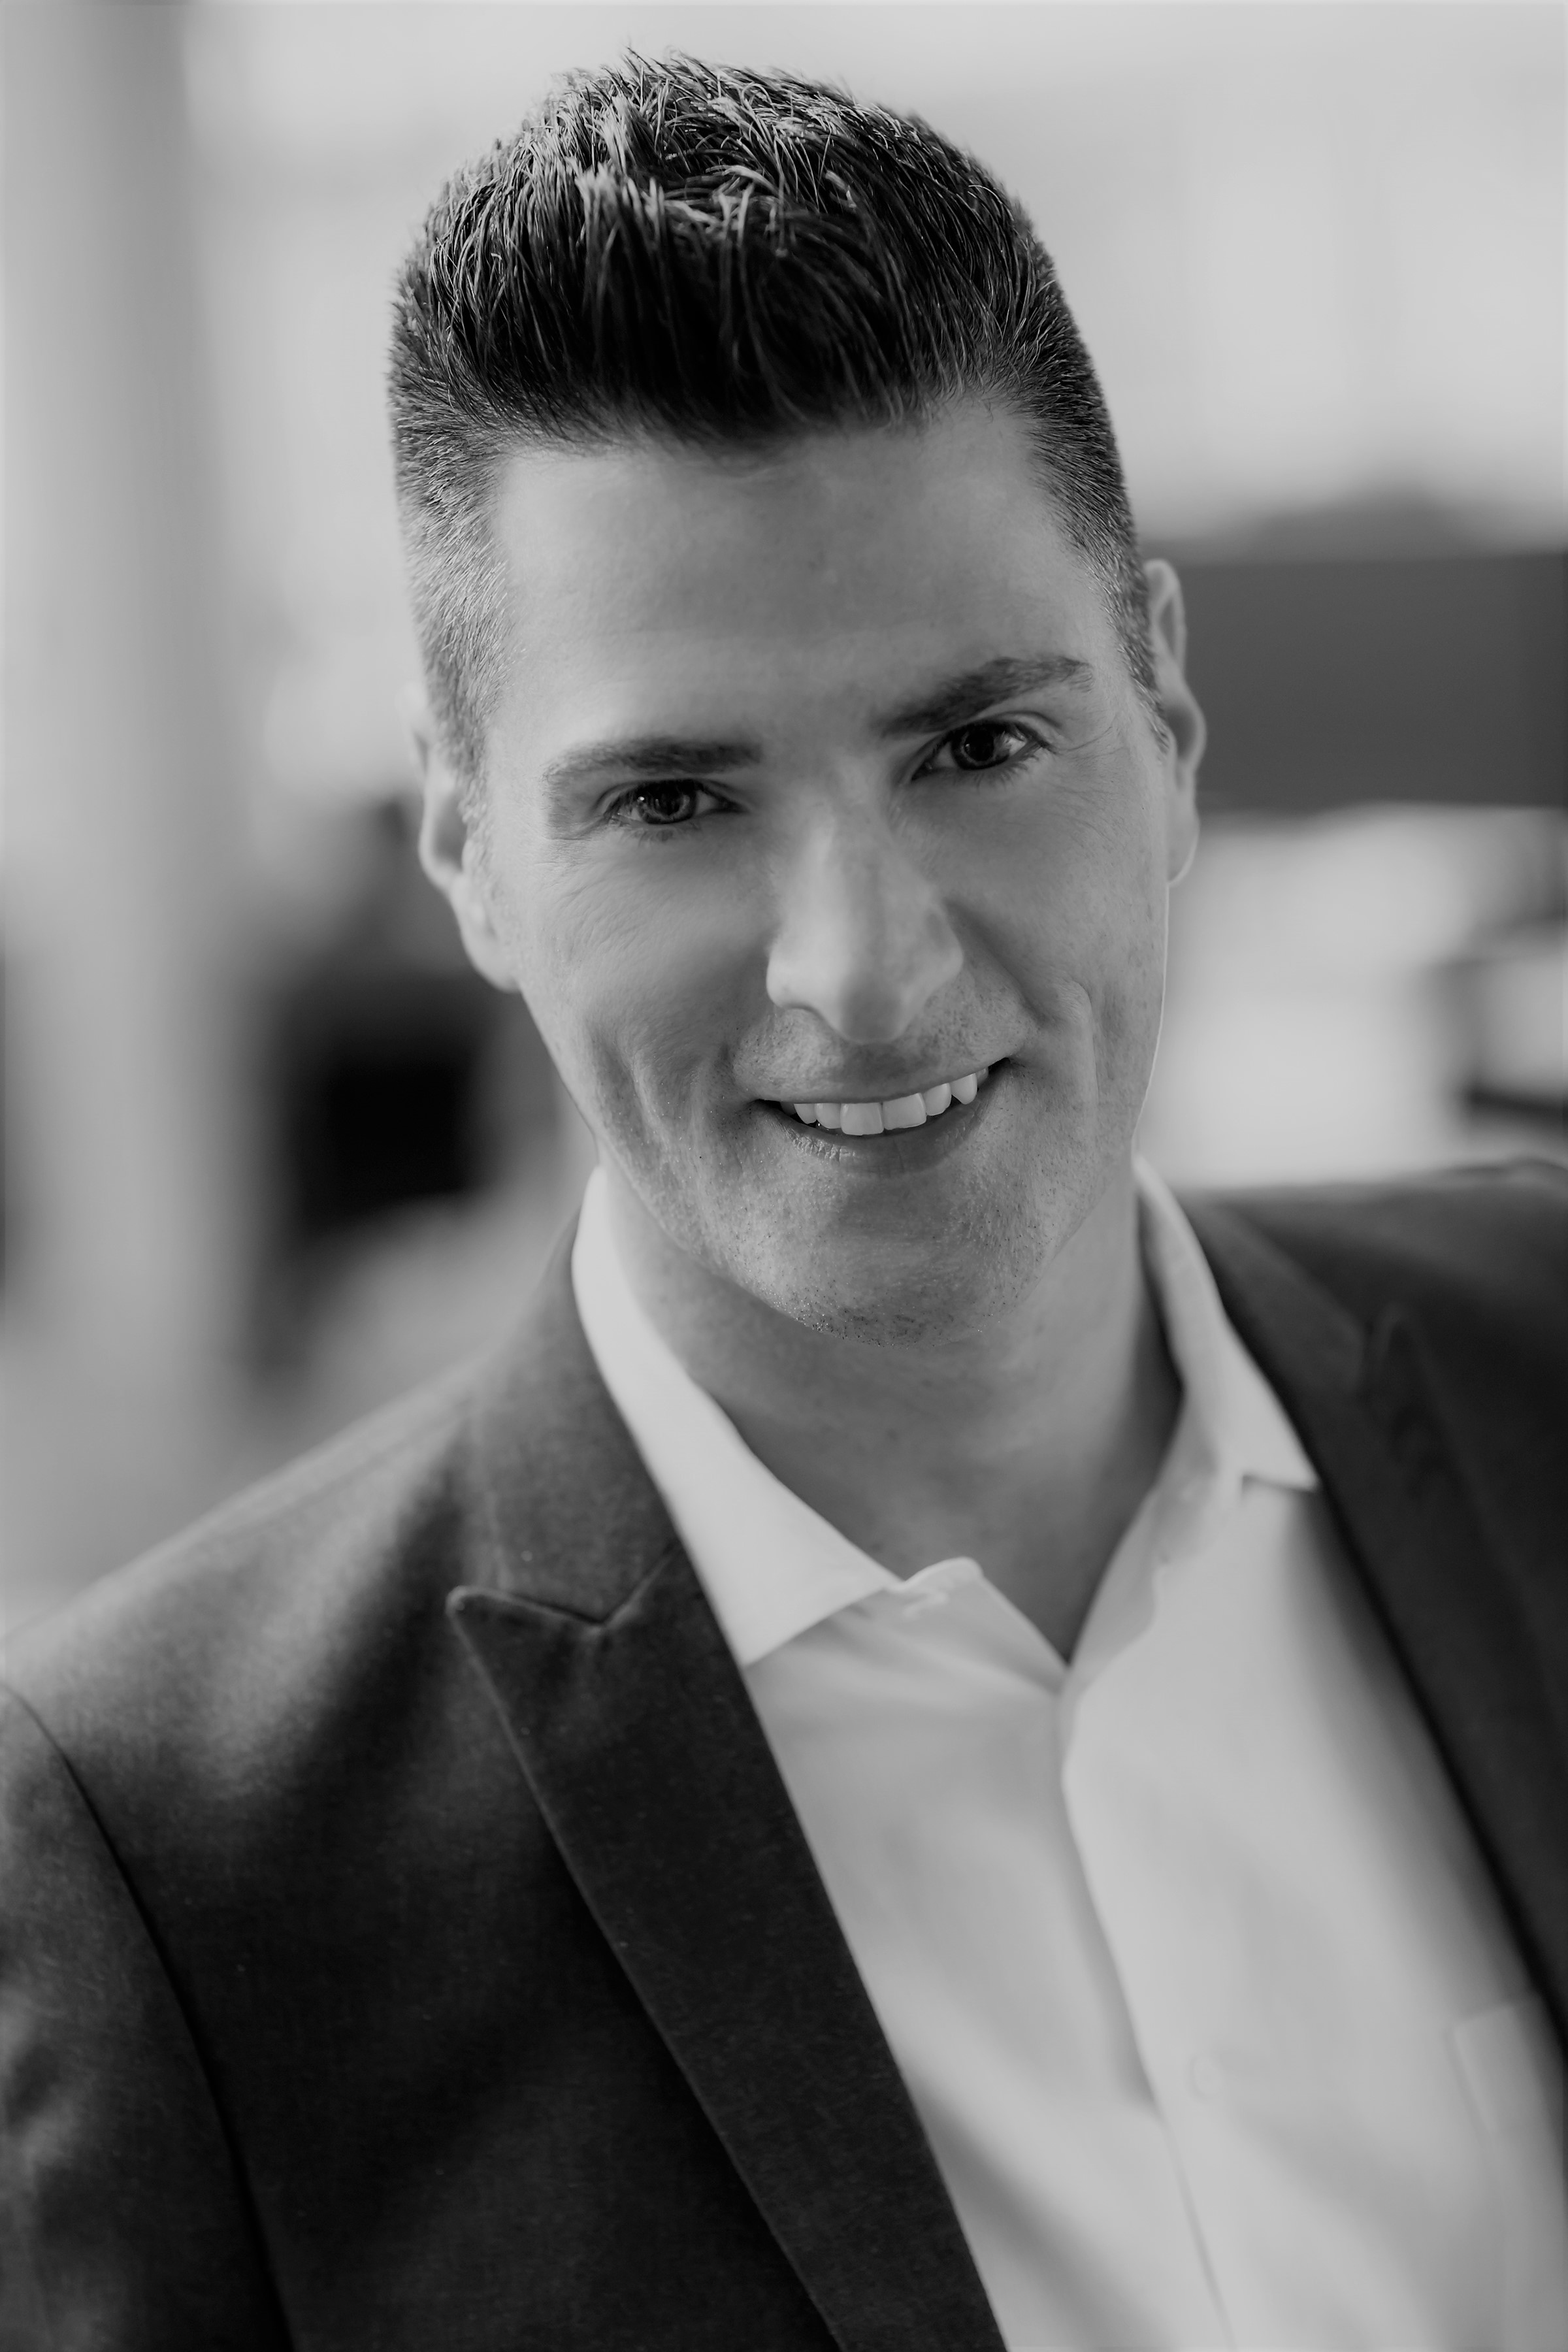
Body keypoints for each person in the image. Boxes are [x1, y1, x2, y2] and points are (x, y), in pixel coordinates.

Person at [2, 52, 1563, 2352]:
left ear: (1167, 718)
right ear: (470, 859)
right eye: (670, 800)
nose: (865, 968)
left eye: (977, 745)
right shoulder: (164, 1859)